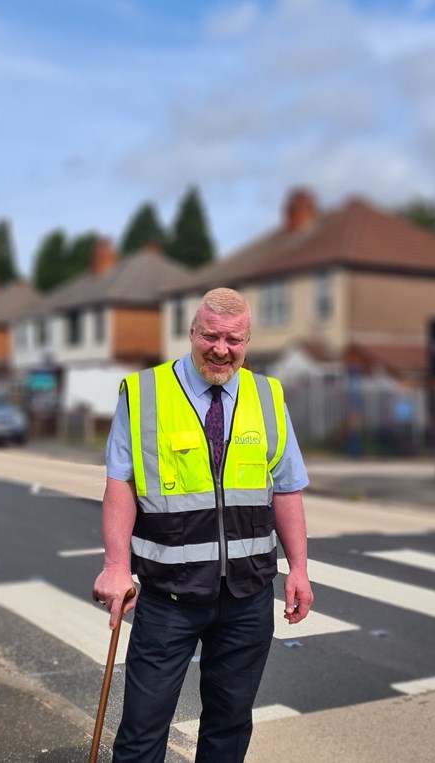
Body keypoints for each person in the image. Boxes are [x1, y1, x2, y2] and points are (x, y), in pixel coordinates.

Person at [93, 287, 313, 762]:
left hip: (247, 596)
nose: (220, 349)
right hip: (168, 596)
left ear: (248, 340)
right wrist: (115, 565)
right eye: (210, 336)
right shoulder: (144, 393)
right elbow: (121, 484)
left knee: (229, 726)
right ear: (191, 333)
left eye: (233, 339)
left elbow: (288, 488)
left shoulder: (268, 396)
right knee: (142, 731)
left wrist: (299, 568)